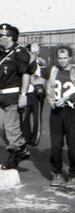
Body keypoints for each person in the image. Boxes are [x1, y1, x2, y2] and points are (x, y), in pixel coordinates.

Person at [46, 47, 75, 187]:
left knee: (72, 144)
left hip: (71, 111)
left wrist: (67, 99)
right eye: (59, 58)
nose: (62, 61)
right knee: (55, 145)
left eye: (64, 58)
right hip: (56, 111)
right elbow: (34, 70)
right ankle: (56, 173)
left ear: (70, 58)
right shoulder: (53, 70)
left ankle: (73, 174)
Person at [0, 24, 33, 171]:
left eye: (2, 35)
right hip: (1, 95)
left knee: (10, 126)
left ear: (10, 37)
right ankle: (22, 148)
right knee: (2, 127)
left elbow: (26, 73)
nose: (0, 38)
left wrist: (23, 95)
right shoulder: (2, 52)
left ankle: (13, 157)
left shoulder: (20, 52)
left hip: (13, 94)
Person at [21, 43, 46, 147]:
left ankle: (35, 139)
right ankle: (26, 137)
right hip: (26, 93)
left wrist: (35, 78)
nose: (35, 53)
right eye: (33, 52)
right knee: (24, 117)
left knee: (37, 117)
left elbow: (43, 76)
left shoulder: (40, 62)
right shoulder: (23, 62)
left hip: (37, 93)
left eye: (37, 52)